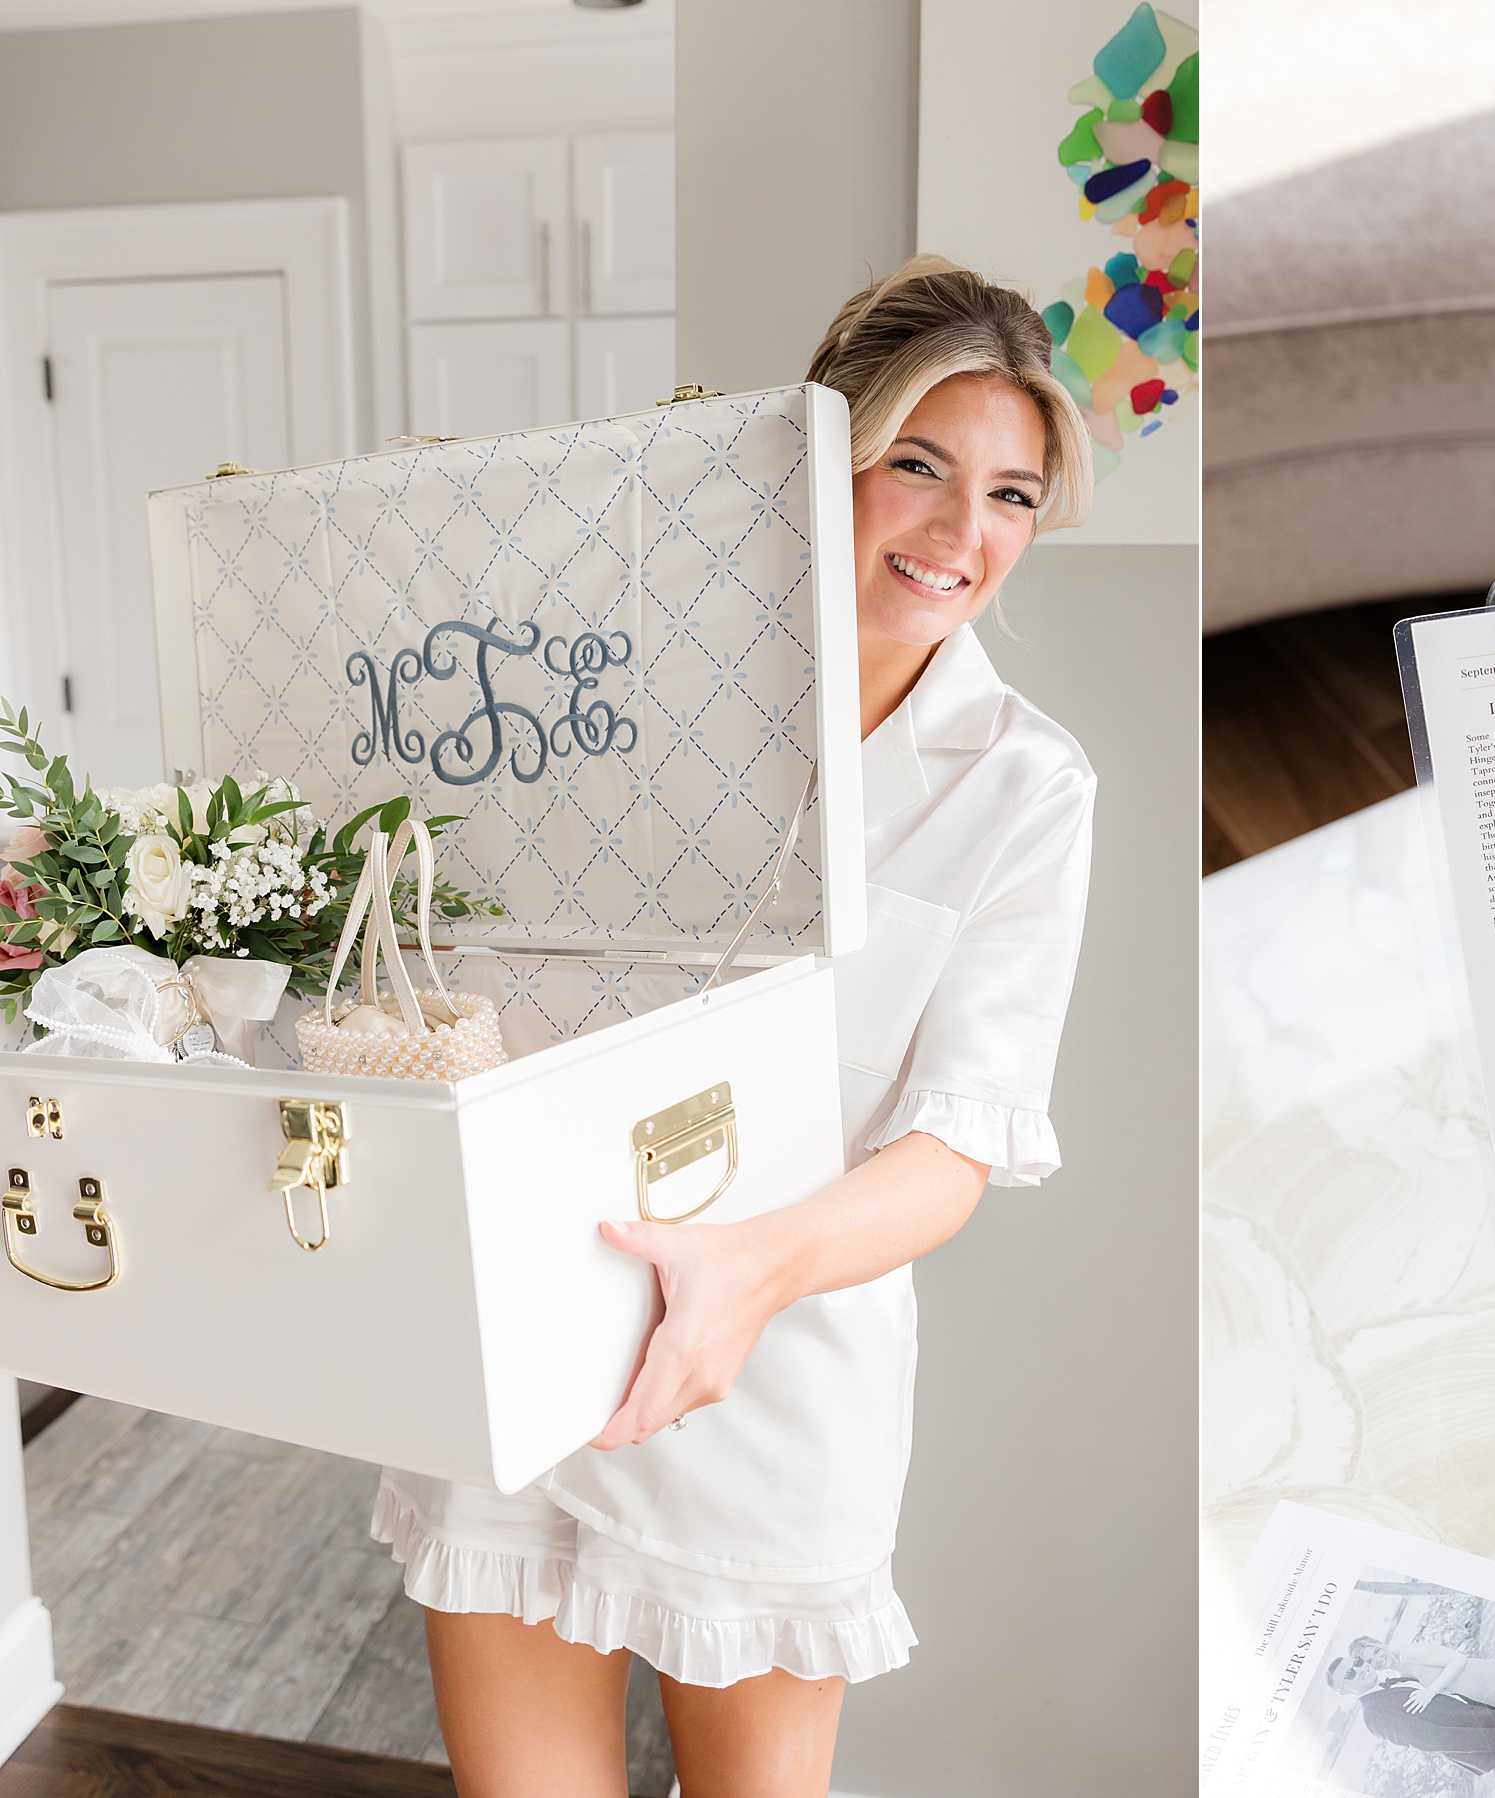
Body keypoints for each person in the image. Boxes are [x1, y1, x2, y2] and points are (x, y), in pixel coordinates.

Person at [370, 256, 1099, 1798]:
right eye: (919, 465)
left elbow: (959, 1138)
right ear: (813, 454)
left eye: (1014, 494)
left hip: (781, 1370)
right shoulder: (603, 686)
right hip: (526, 1332)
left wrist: (746, 1271)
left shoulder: (1027, 789)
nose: (965, 534)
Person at [1323, 1655, 1495, 1776]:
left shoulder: (1392, 1682)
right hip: (1491, 1744)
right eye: (1350, 1673)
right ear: (1345, 1690)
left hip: (1493, 1720)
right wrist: (1493, 1739)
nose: (1359, 1669)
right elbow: (1428, 1738)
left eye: (1357, 1662)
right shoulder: (1374, 1715)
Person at [1347, 1635, 1495, 1728]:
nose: (1378, 1659)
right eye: (1370, 1661)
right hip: (1480, 1694)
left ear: (1380, 1644)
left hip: (1485, 1679)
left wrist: (1430, 1692)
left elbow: (1458, 1659)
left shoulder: (1409, 1653)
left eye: (1376, 1651)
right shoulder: (1401, 1675)